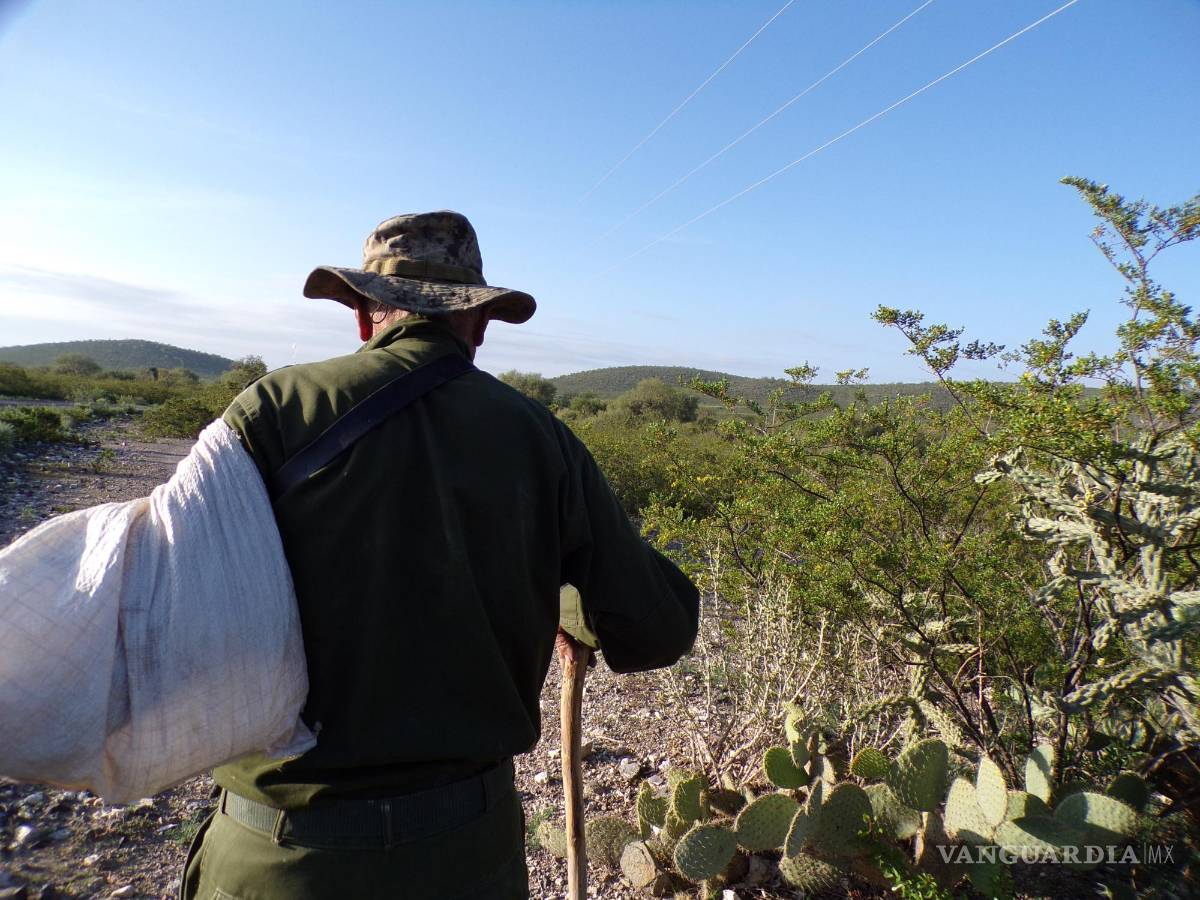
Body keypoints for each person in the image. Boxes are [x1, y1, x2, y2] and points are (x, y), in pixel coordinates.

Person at [180, 210, 700, 900]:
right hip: (461, 858)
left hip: (274, 855)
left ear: (364, 314)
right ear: (478, 324)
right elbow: (658, 629)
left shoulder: (270, 408)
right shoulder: (540, 437)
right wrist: (567, 594)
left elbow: (181, 609)